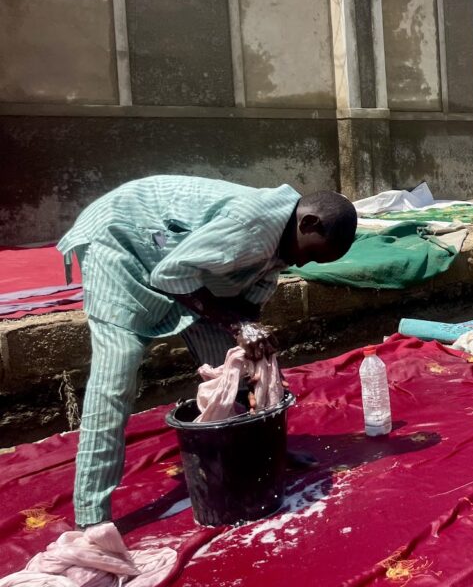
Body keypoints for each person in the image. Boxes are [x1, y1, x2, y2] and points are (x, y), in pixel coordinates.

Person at [57, 176, 357, 528]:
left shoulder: (284, 238)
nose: (303, 265)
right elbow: (170, 275)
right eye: (309, 254)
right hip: (122, 243)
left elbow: (243, 307)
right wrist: (237, 326)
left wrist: (252, 346)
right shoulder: (253, 226)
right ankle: (91, 517)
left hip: (176, 263)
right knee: (115, 380)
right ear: (308, 223)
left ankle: (257, 453)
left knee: (232, 371)